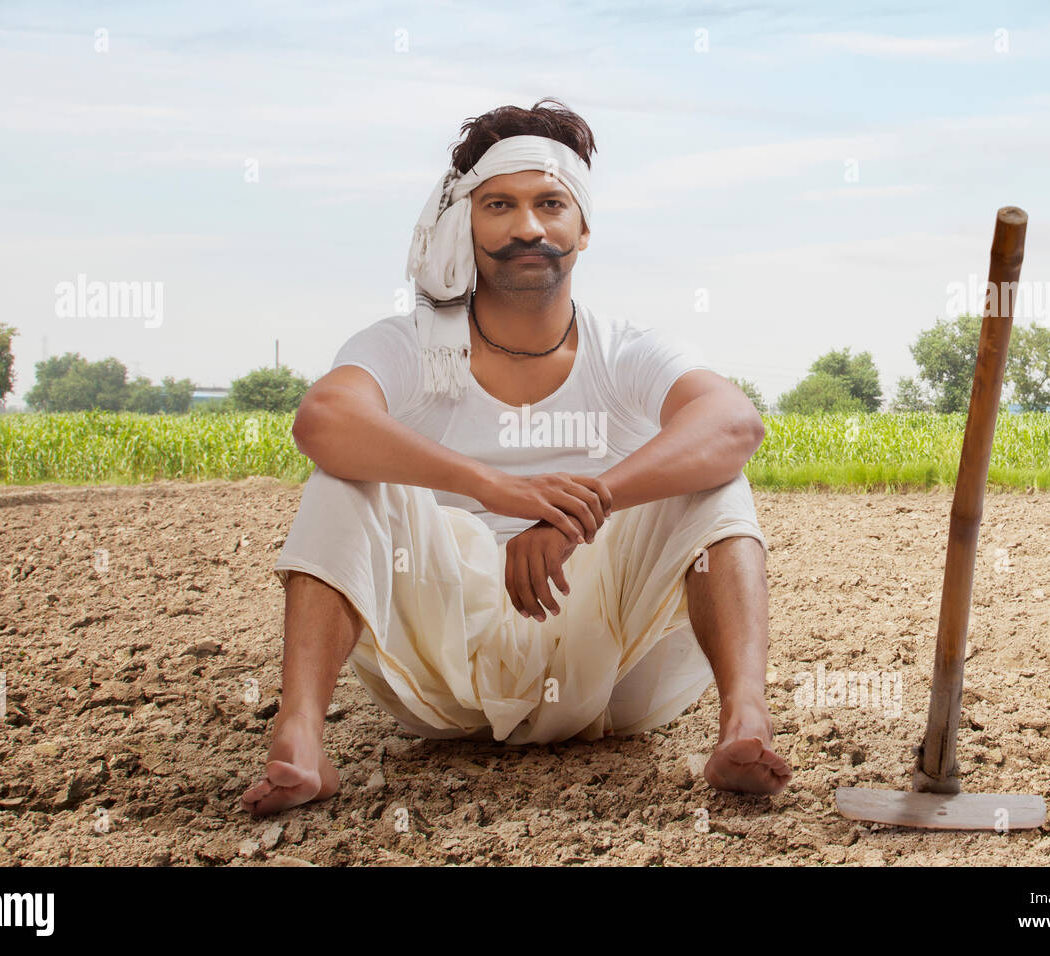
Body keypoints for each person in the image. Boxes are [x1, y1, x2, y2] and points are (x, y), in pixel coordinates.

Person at [243, 98, 791, 817]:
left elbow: (733, 423)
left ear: (583, 227)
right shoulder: (411, 344)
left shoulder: (625, 347)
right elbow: (323, 419)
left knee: (717, 485)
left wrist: (576, 511)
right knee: (344, 480)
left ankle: (745, 724)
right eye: (499, 203)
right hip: (445, 665)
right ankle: (301, 738)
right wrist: (496, 489)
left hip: (609, 668)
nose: (528, 226)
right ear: (464, 222)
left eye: (550, 203)